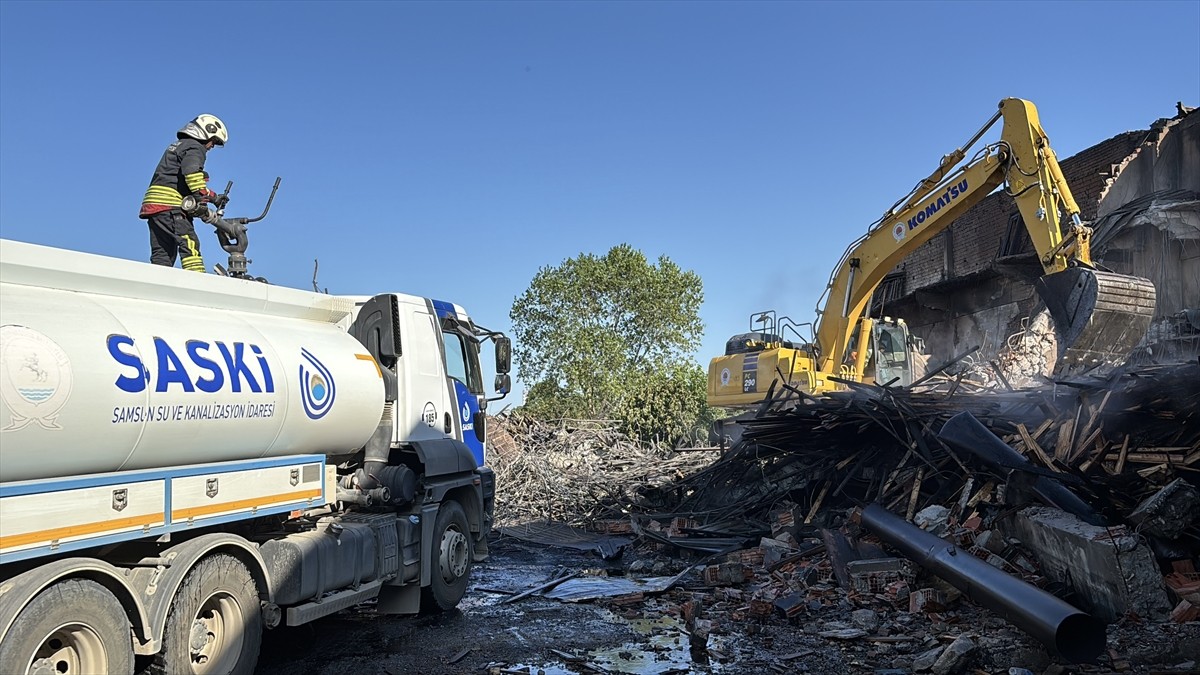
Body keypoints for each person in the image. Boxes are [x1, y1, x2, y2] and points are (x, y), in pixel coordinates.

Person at [140, 114, 229, 271]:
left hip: (153, 206)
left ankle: (159, 285)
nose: (211, 147)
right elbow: (192, 175)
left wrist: (211, 197)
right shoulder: (195, 148)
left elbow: (181, 178)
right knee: (189, 244)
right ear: (206, 133)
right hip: (171, 206)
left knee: (162, 253)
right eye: (213, 142)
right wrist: (208, 198)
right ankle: (197, 284)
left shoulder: (178, 145)